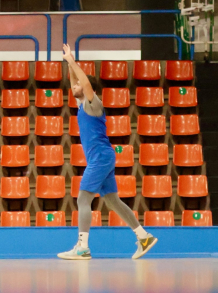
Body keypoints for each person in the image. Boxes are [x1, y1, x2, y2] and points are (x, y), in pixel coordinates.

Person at [59, 43, 158, 260]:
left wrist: (73, 62)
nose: (73, 86)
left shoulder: (94, 105)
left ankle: (82, 247)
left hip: (100, 158)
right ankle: (144, 237)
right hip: (103, 158)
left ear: (87, 90)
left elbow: (83, 82)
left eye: (77, 85)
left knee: (83, 199)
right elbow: (75, 80)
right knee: (113, 201)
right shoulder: (81, 105)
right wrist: (69, 61)